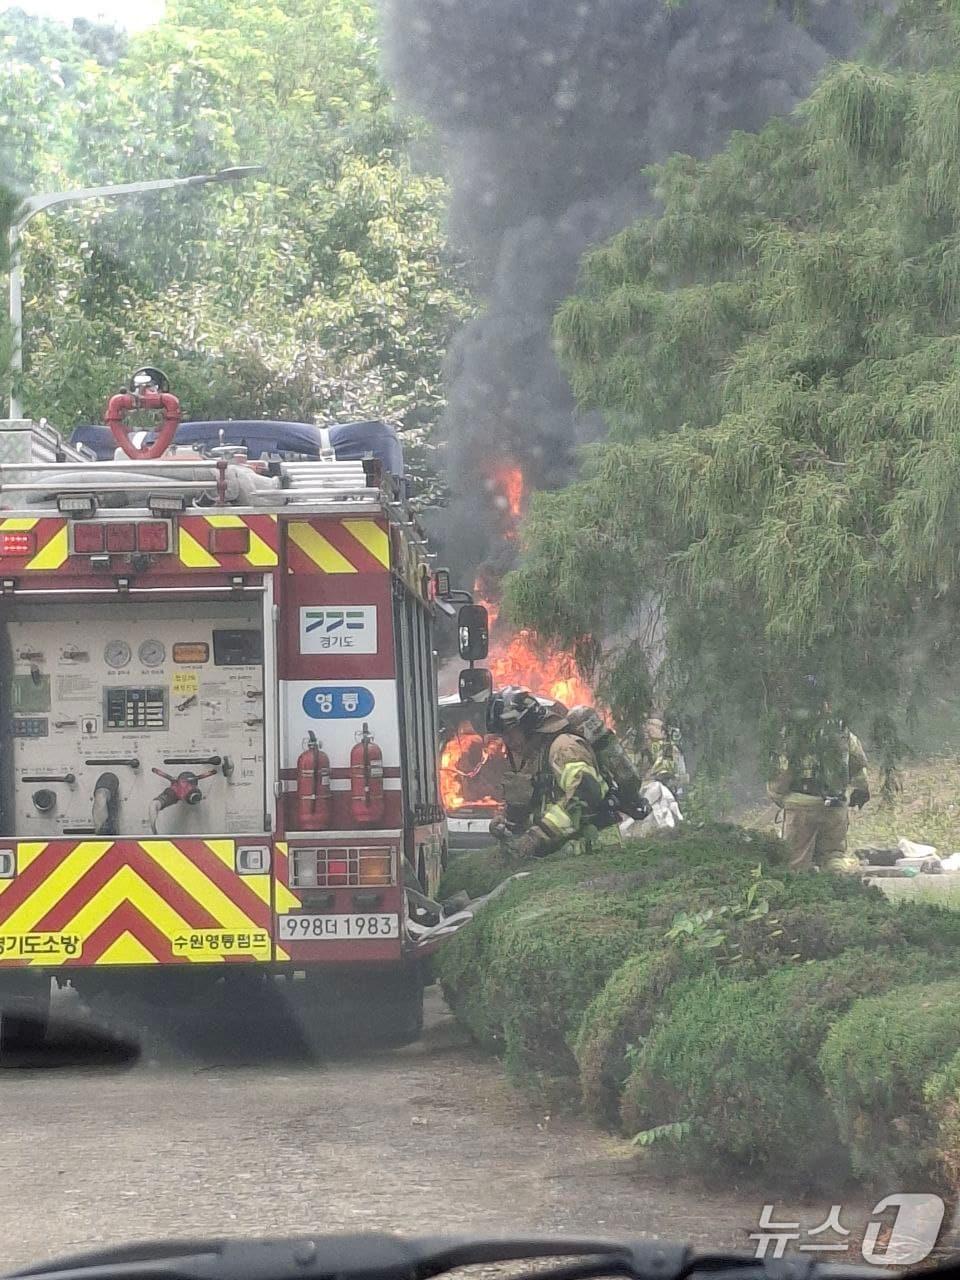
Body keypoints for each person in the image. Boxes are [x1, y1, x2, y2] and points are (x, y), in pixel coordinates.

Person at [486, 686, 607, 859]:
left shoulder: (563, 748)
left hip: (594, 853)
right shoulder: (537, 754)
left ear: (527, 725)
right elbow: (541, 801)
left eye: (510, 733)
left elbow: (585, 794)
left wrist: (538, 835)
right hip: (566, 856)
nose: (507, 741)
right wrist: (505, 820)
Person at [767, 683, 870, 874]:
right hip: (835, 806)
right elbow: (857, 764)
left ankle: (804, 901)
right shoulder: (840, 730)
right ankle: (839, 894)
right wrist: (860, 790)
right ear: (825, 704)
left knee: (796, 864)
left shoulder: (791, 734)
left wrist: (780, 797)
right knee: (834, 858)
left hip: (801, 806)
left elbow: (781, 773)